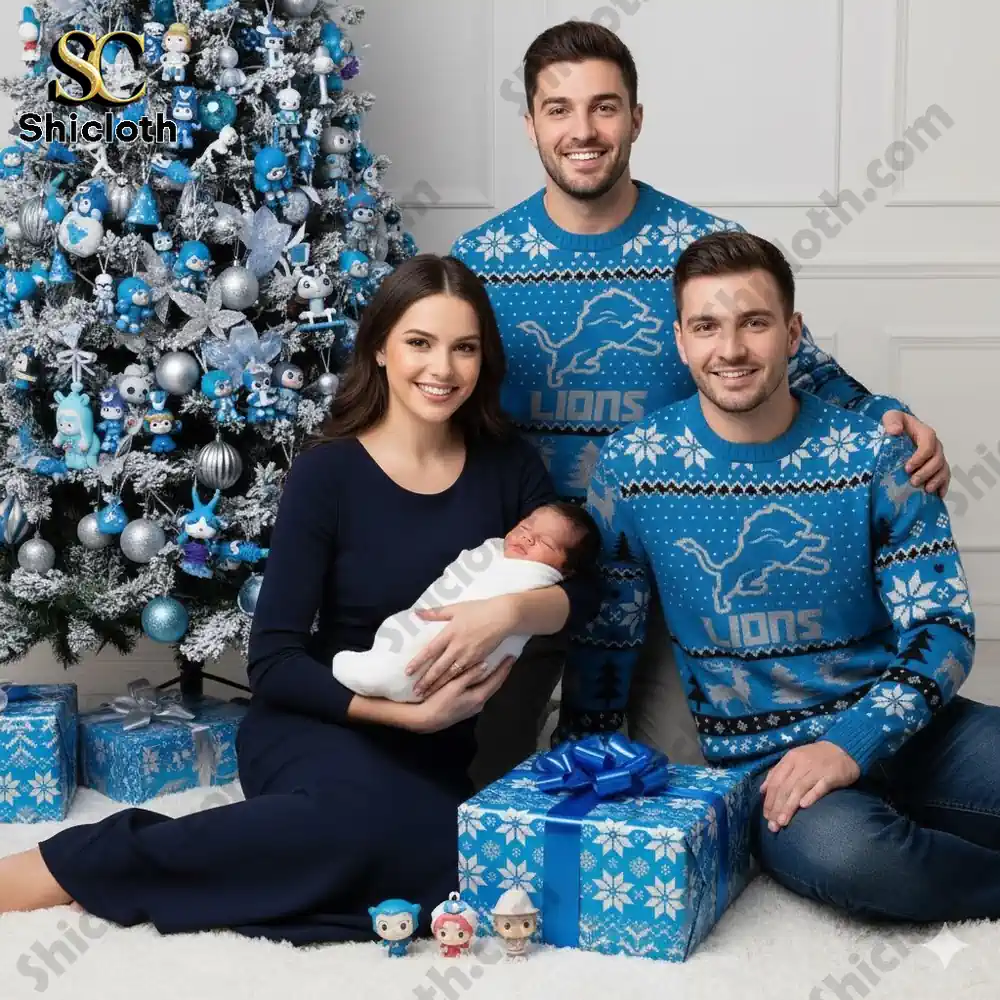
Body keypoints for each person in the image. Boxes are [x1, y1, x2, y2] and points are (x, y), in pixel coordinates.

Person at [0, 254, 597, 945]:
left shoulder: (508, 467)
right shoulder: (329, 471)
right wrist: (403, 715)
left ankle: (234, 883)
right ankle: (79, 865)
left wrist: (510, 610)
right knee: (351, 831)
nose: (444, 369)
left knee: (442, 867)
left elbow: (584, 590)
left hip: (435, 750)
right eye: (420, 343)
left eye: (464, 348)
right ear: (380, 347)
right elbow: (274, 661)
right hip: (320, 721)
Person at [450, 20, 953, 779]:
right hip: (527, 571)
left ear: (637, 119)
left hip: (658, 584)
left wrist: (891, 413)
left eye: (605, 107)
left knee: (672, 798)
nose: (583, 131)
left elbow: (793, 368)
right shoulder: (480, 264)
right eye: (559, 109)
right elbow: (445, 413)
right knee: (480, 790)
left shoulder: (698, 245)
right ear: (530, 124)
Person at [574, 230, 997, 922]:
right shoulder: (633, 466)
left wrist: (848, 745)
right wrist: (582, 770)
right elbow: (607, 635)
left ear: (793, 333)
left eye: (755, 323)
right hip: (770, 771)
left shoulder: (876, 453)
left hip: (917, 732)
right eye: (707, 326)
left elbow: (943, 630)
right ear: (680, 341)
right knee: (861, 862)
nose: (731, 349)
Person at [331, 502, 600, 702]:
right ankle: (385, 667)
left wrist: (509, 611)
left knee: (426, 654)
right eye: (524, 527)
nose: (526, 537)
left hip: (455, 690)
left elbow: (587, 594)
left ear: (565, 570)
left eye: (546, 542)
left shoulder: (535, 577)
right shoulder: (493, 551)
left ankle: (392, 677)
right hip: (399, 641)